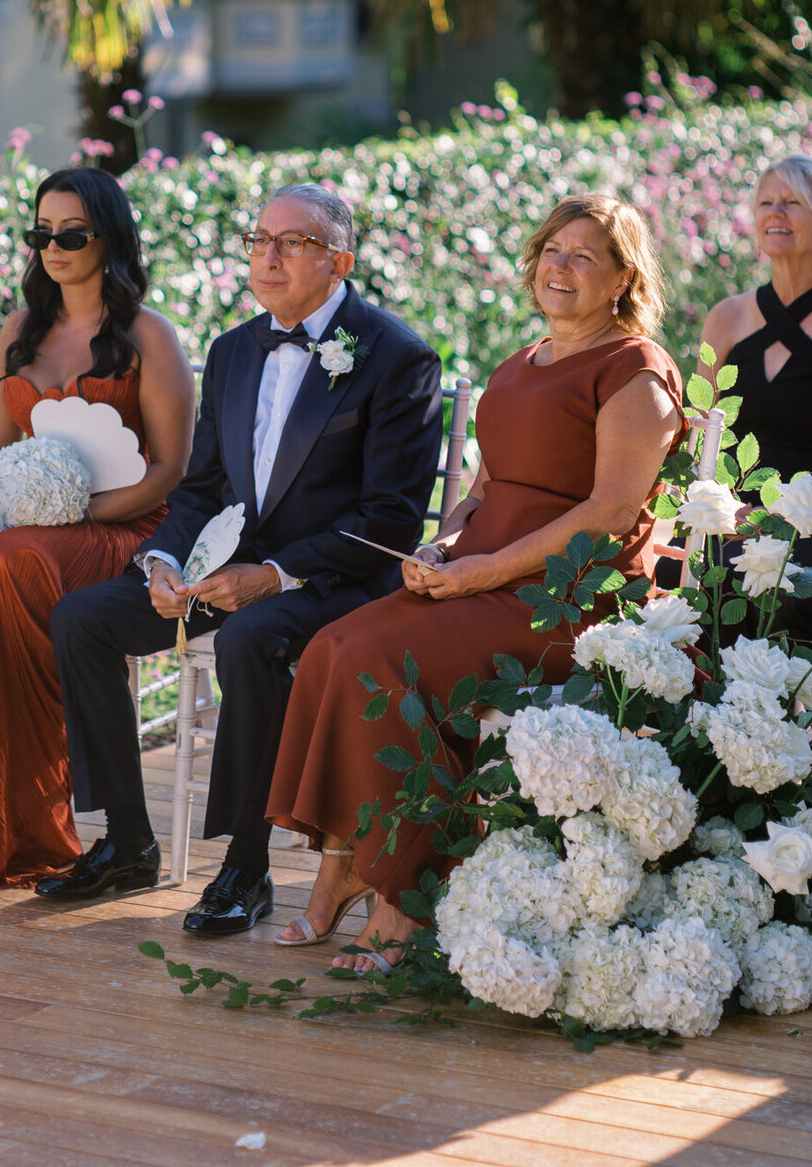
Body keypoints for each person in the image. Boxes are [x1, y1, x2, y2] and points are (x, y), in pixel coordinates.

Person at [267, 194, 684, 972]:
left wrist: (480, 571)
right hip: (479, 581)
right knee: (334, 645)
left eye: (584, 256)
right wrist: (442, 546)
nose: (560, 267)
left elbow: (610, 513)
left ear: (623, 277)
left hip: (567, 600)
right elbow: (484, 491)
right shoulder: (518, 365)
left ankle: (408, 892)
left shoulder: (636, 370)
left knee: (382, 661)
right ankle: (347, 862)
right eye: (552, 250)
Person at [35, 183, 444, 935]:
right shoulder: (232, 351)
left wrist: (275, 577)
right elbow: (201, 489)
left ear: (340, 261)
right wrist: (163, 560)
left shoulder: (397, 357)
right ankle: (127, 841)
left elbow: (390, 516)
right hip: (222, 566)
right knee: (82, 618)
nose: (269, 257)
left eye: (293, 243)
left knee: (252, 638)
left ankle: (246, 869)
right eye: (259, 240)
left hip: (334, 578)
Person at [0, 167, 195, 886]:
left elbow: (171, 472)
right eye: (41, 234)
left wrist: (77, 512)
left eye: (72, 234)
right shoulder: (18, 332)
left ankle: (30, 827)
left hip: (130, 530)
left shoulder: (149, 336)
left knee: (13, 559)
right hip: (29, 534)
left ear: (109, 239)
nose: (53, 247)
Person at [700, 154, 812, 570]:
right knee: (680, 571)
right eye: (766, 203)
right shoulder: (725, 318)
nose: (776, 212)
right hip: (730, 523)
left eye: (792, 202)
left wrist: (785, 518)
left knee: (780, 585)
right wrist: (724, 510)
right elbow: (701, 445)